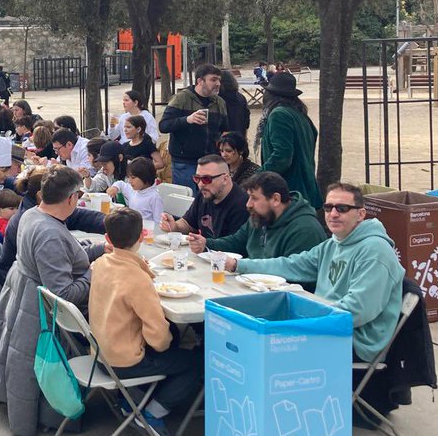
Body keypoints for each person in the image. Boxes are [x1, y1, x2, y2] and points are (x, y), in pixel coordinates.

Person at [221, 183, 403, 363]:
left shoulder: (375, 251)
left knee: (263, 345)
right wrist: (239, 265)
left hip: (355, 341)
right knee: (240, 333)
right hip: (325, 326)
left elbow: (356, 311)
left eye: (342, 208)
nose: (333, 214)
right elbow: (290, 264)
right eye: (328, 207)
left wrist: (300, 319)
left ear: (361, 214)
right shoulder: (333, 244)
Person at [0, 166, 95, 436]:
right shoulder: (49, 232)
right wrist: (92, 275)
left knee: (17, 359)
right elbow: (62, 294)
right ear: (71, 198)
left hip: (22, 291)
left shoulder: (32, 214)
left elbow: (65, 255)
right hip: (38, 308)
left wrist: (97, 251)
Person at [90, 208, 203, 436]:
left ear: (107, 239)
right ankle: (152, 412)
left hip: (101, 351)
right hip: (125, 360)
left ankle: (132, 400)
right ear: (142, 236)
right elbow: (158, 337)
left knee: (173, 335)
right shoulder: (137, 279)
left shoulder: (100, 263)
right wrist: (168, 347)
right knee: (198, 361)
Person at [189, 170, 328, 260]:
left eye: (254, 198)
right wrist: (206, 243)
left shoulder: (305, 230)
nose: (248, 204)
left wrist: (242, 267)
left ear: (275, 199)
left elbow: (292, 272)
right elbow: (236, 242)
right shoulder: (261, 216)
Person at [255, 72, 322, 209]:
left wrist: (258, 176)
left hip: (290, 191)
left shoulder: (279, 114)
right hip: (304, 187)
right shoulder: (299, 114)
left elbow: (282, 156)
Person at [158, 64, 228, 191]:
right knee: (188, 201)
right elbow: (164, 125)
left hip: (211, 162)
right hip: (185, 162)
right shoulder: (181, 98)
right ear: (200, 81)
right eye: (213, 79)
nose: (217, 83)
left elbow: (224, 130)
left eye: (219, 80)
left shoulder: (220, 103)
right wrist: (187, 120)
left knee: (210, 203)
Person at [160, 154, 248, 239]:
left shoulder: (242, 204)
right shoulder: (205, 194)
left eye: (206, 179)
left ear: (224, 179)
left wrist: (204, 244)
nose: (201, 184)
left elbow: (235, 246)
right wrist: (174, 226)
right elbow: (188, 224)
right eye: (197, 178)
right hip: (205, 252)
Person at [106, 157, 164, 221]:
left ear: (145, 177)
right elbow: (121, 184)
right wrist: (115, 188)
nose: (130, 181)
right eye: (129, 177)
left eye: (133, 178)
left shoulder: (154, 197)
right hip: (133, 227)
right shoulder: (133, 190)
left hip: (147, 229)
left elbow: (159, 222)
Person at [218, 70, 250, 139]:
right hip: (239, 133)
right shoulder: (241, 97)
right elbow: (246, 118)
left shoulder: (218, 99)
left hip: (224, 137)